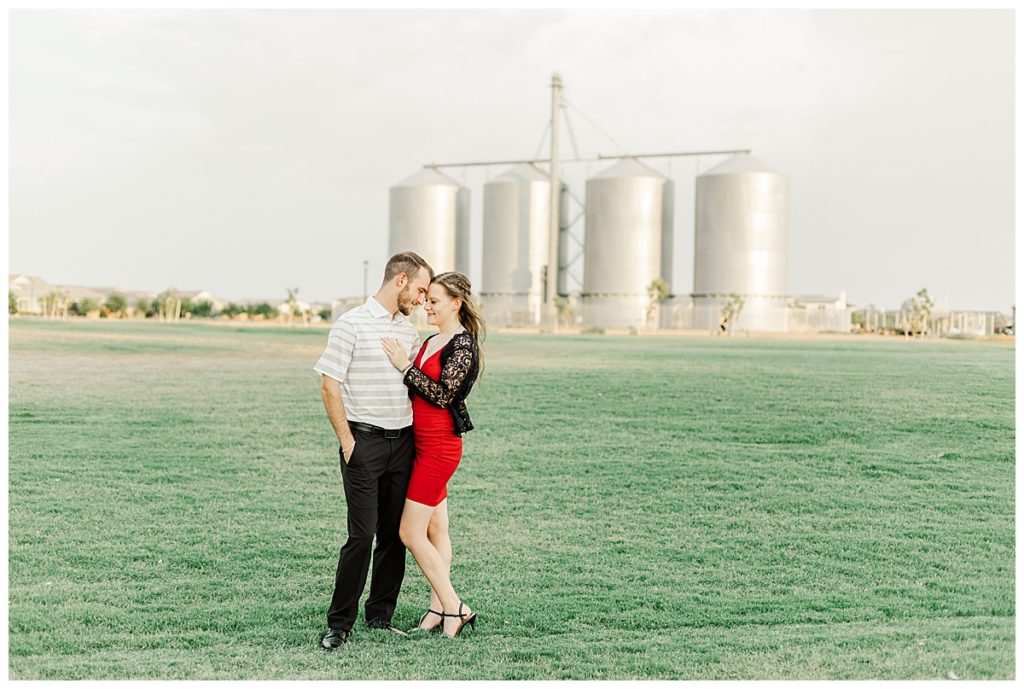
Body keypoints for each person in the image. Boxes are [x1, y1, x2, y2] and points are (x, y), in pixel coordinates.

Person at [313, 251, 433, 650]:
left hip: (404, 444)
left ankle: (380, 614)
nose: (421, 299)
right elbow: (330, 385)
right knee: (361, 535)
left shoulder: (409, 333)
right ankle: (339, 624)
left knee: (394, 536)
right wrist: (348, 442)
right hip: (363, 443)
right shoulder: (351, 324)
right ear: (400, 280)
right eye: (418, 290)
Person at [381, 271, 484, 639]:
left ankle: (456, 607)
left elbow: (442, 395)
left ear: (456, 303)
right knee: (436, 528)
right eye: (426, 300)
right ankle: (438, 608)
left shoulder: (463, 345)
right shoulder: (431, 340)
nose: (426, 305)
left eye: (434, 301)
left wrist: (404, 367)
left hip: (440, 449)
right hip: (419, 444)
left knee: (410, 532)